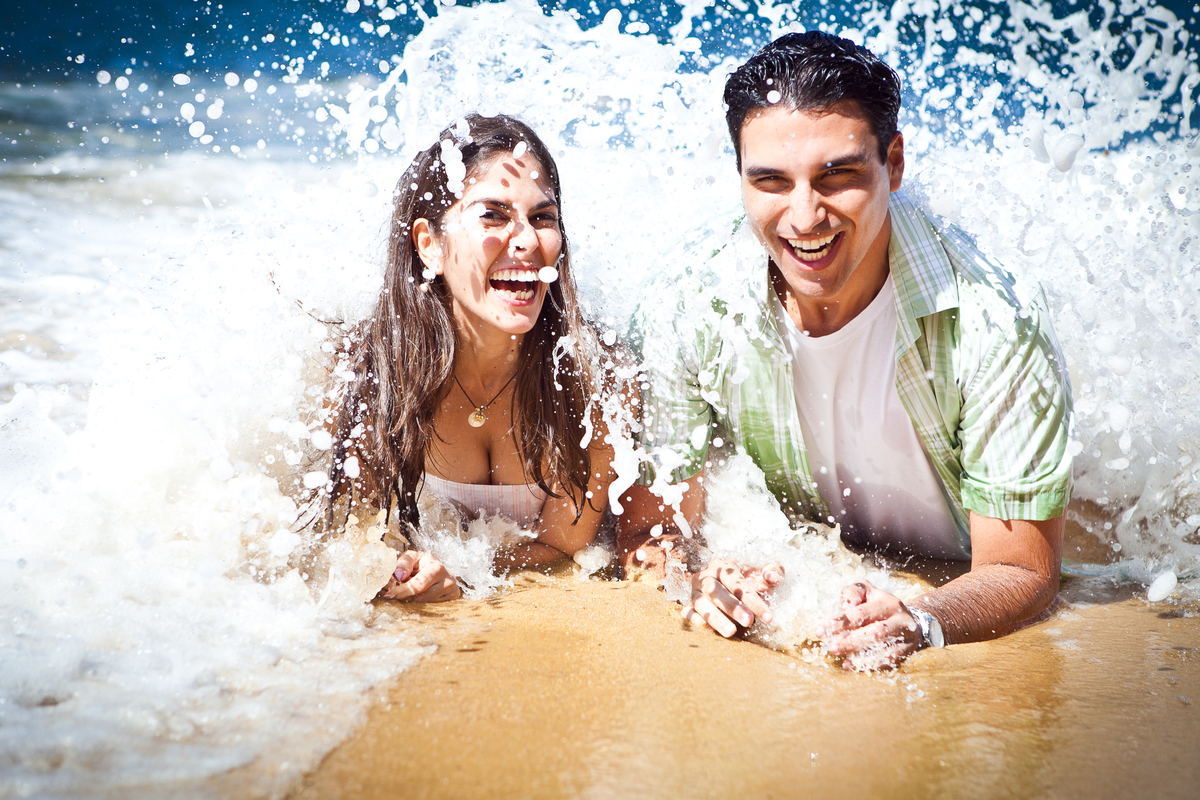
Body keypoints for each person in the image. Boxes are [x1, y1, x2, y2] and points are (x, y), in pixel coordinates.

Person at [619, 32, 1073, 670]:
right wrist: (700, 577)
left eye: (837, 176)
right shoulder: (688, 303)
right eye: (772, 181)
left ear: (894, 162)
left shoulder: (995, 321)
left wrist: (924, 618)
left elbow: (1020, 568)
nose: (805, 218)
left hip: (953, 569)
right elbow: (651, 533)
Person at [327, 114, 616, 602]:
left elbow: (564, 549)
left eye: (543, 218)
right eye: (494, 215)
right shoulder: (374, 376)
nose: (527, 240)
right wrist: (403, 570)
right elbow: (352, 540)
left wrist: (462, 576)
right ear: (429, 246)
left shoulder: (592, 383)